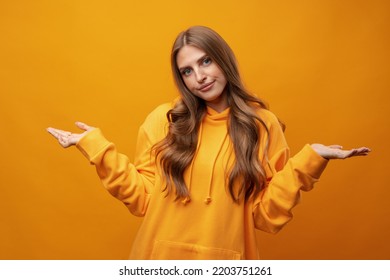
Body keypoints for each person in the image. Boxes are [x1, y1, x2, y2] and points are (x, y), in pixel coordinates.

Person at [47, 26, 370, 260]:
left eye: (205, 62)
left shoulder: (261, 125)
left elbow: (265, 215)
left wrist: (311, 160)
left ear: (222, 61)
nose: (198, 77)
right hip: (158, 261)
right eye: (186, 71)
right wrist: (96, 147)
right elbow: (143, 198)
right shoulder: (165, 119)